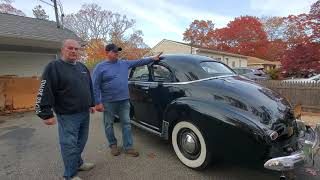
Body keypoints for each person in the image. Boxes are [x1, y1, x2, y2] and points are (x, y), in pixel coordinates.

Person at [35, 39, 96, 180]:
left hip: (84, 113)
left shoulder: (82, 67)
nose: (74, 51)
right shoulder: (54, 67)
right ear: (63, 50)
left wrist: (92, 103)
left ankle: (78, 163)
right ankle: (70, 174)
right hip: (67, 115)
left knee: (81, 141)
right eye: (70, 48)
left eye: (76, 49)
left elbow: (89, 87)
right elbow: (45, 89)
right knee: (69, 144)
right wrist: (45, 113)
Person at [92, 43, 162, 157]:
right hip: (108, 102)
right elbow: (95, 86)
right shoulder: (100, 67)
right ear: (107, 52)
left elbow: (139, 62)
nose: (117, 53)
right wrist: (97, 102)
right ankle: (113, 145)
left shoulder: (124, 63)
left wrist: (152, 58)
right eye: (114, 51)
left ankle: (128, 147)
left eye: (117, 51)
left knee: (126, 123)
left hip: (124, 100)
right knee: (108, 124)